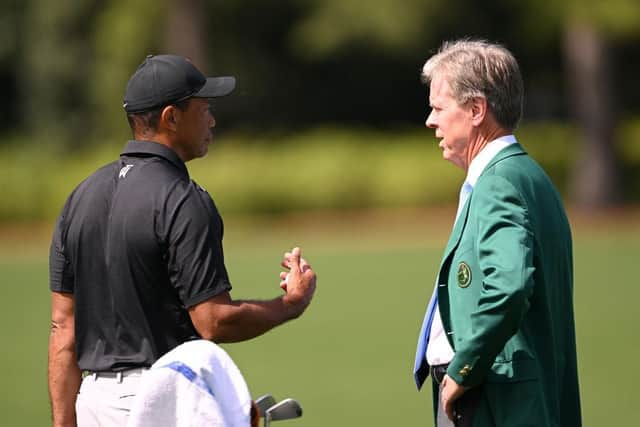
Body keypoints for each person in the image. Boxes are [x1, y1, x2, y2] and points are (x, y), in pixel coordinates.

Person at [48, 54, 317, 427]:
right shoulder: (182, 198)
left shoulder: (79, 197)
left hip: (91, 401)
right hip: (161, 399)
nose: (212, 120)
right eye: (204, 108)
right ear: (171, 118)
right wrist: (290, 304)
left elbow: (64, 331)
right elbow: (214, 322)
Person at [412, 39, 581, 426]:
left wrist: (462, 369)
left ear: (476, 110)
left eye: (439, 108)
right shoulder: (526, 174)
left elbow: (509, 286)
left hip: (495, 400)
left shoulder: (498, 182)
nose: (430, 120)